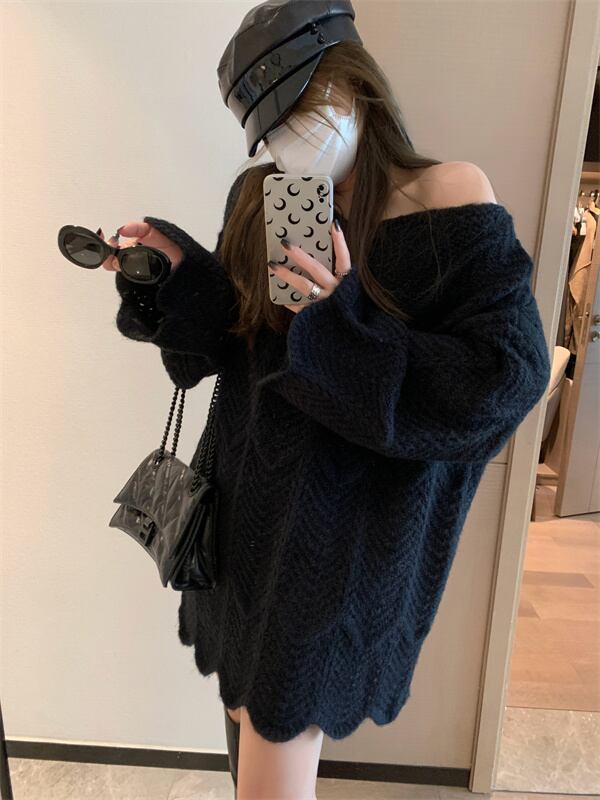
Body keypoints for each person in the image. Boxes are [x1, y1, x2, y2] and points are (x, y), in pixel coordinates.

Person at [98, 2, 552, 798]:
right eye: (268, 129)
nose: (285, 142)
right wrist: (178, 280)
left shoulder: (448, 195)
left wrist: (344, 323)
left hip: (339, 550)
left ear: (354, 81)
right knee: (245, 728)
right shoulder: (261, 197)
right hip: (242, 523)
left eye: (297, 110)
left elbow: (504, 377)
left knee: (271, 760)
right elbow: (231, 348)